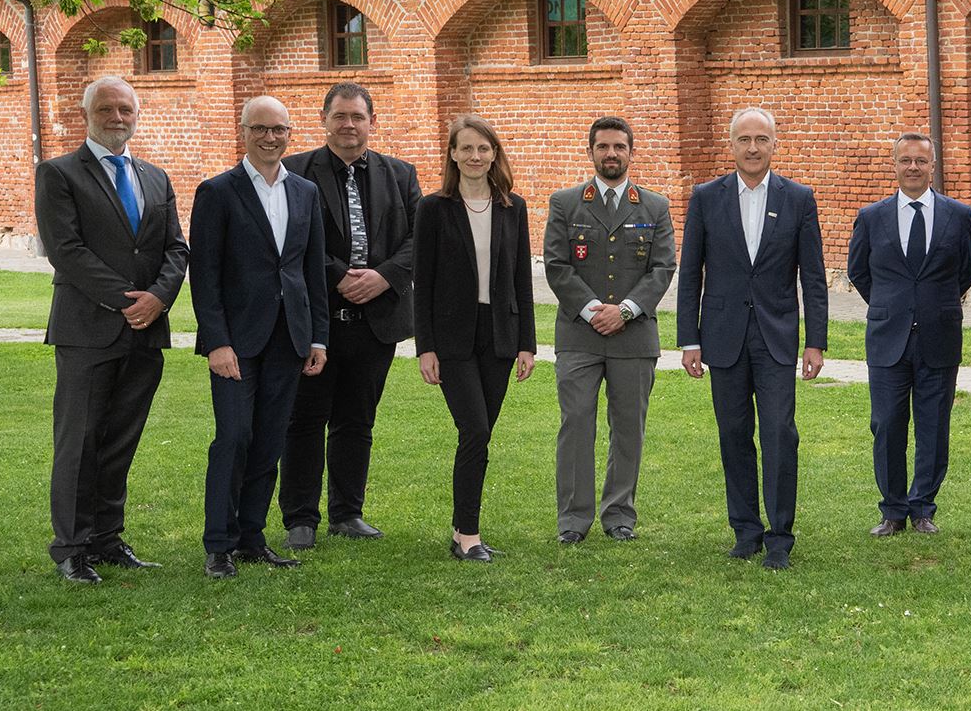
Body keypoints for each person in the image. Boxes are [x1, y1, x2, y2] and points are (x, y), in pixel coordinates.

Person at [33, 76, 189, 583]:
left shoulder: (154, 177)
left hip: (145, 333)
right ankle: (72, 548)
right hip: (87, 331)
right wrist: (131, 301)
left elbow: (174, 249)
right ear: (87, 114)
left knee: (121, 439)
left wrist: (160, 297)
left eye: (125, 108)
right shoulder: (58, 174)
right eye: (107, 108)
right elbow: (67, 251)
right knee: (79, 440)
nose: (117, 116)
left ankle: (106, 538)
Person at [677, 107, 828, 570]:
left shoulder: (799, 198)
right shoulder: (705, 197)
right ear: (732, 144)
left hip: (777, 337)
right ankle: (745, 531)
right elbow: (690, 274)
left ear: (774, 144)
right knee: (734, 434)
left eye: (762, 139)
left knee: (781, 434)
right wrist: (689, 339)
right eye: (744, 139)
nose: (753, 147)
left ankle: (780, 535)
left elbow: (814, 277)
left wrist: (815, 341)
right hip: (722, 337)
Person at [190, 96, 329, 579]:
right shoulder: (218, 192)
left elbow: (311, 272)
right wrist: (217, 342)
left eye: (279, 130)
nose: (271, 138)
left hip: (289, 338)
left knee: (269, 440)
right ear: (244, 132)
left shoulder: (306, 192)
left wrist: (318, 337)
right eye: (261, 129)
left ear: (290, 133)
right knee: (233, 437)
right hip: (236, 342)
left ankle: (251, 537)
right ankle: (218, 544)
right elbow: (204, 276)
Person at [280, 82, 421, 549]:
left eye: (357, 117)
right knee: (304, 420)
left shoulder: (400, 175)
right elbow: (288, 240)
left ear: (371, 123)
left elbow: (420, 240)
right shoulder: (294, 172)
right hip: (316, 321)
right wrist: (338, 275)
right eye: (340, 117)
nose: (349, 126)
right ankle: (301, 517)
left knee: (357, 421)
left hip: (377, 322)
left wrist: (383, 277)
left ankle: (347, 513)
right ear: (325, 121)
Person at [542, 116, 675, 544]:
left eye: (619, 147)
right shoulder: (565, 203)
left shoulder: (654, 206)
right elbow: (558, 266)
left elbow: (662, 268)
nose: (611, 154)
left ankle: (619, 515)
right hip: (579, 335)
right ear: (591, 151)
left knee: (628, 429)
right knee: (576, 424)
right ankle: (573, 521)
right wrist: (594, 309)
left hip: (634, 338)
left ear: (631, 152)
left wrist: (627, 311)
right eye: (603, 147)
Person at [413, 115, 537, 563]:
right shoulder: (433, 208)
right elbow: (421, 283)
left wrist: (528, 343)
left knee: (480, 437)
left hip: (500, 336)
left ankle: (462, 528)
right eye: (466, 148)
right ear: (452, 154)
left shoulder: (513, 207)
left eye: (483, 149)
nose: (474, 156)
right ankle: (468, 534)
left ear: (494, 154)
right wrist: (424, 347)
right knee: (475, 429)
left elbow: (522, 277)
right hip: (452, 339)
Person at [847, 133, 971, 536]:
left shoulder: (958, 215)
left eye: (921, 161)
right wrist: (892, 305)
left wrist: (932, 304)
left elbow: (968, 269)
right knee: (886, 424)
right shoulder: (872, 216)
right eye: (905, 160)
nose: (913, 168)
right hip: (888, 337)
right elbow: (858, 270)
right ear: (895, 165)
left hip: (939, 336)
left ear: (933, 166)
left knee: (934, 425)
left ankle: (923, 507)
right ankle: (892, 510)